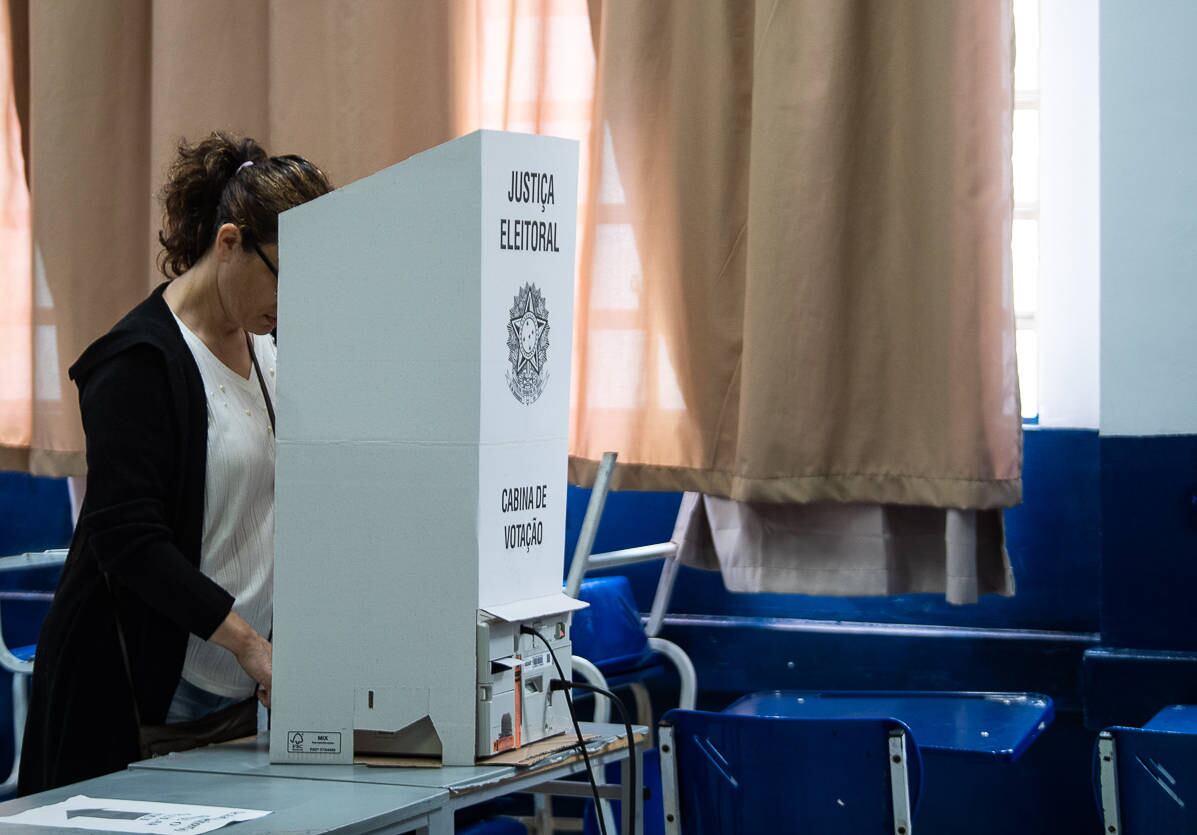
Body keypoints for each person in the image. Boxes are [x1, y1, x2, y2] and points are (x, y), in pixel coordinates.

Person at [19, 132, 332, 794]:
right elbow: (128, 539)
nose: (294, 304)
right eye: (285, 276)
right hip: (140, 688)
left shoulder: (267, 344)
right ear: (228, 244)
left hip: (234, 685)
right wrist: (248, 642)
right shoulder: (137, 363)